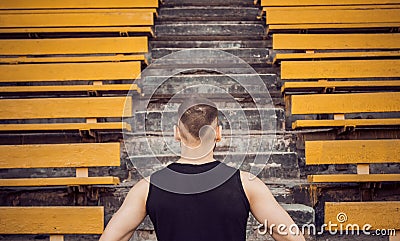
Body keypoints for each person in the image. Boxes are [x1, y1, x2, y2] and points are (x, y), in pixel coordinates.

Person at [99, 97, 306, 241]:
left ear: (176, 134)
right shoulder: (247, 184)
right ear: (218, 133)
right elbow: (292, 236)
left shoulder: (146, 188)